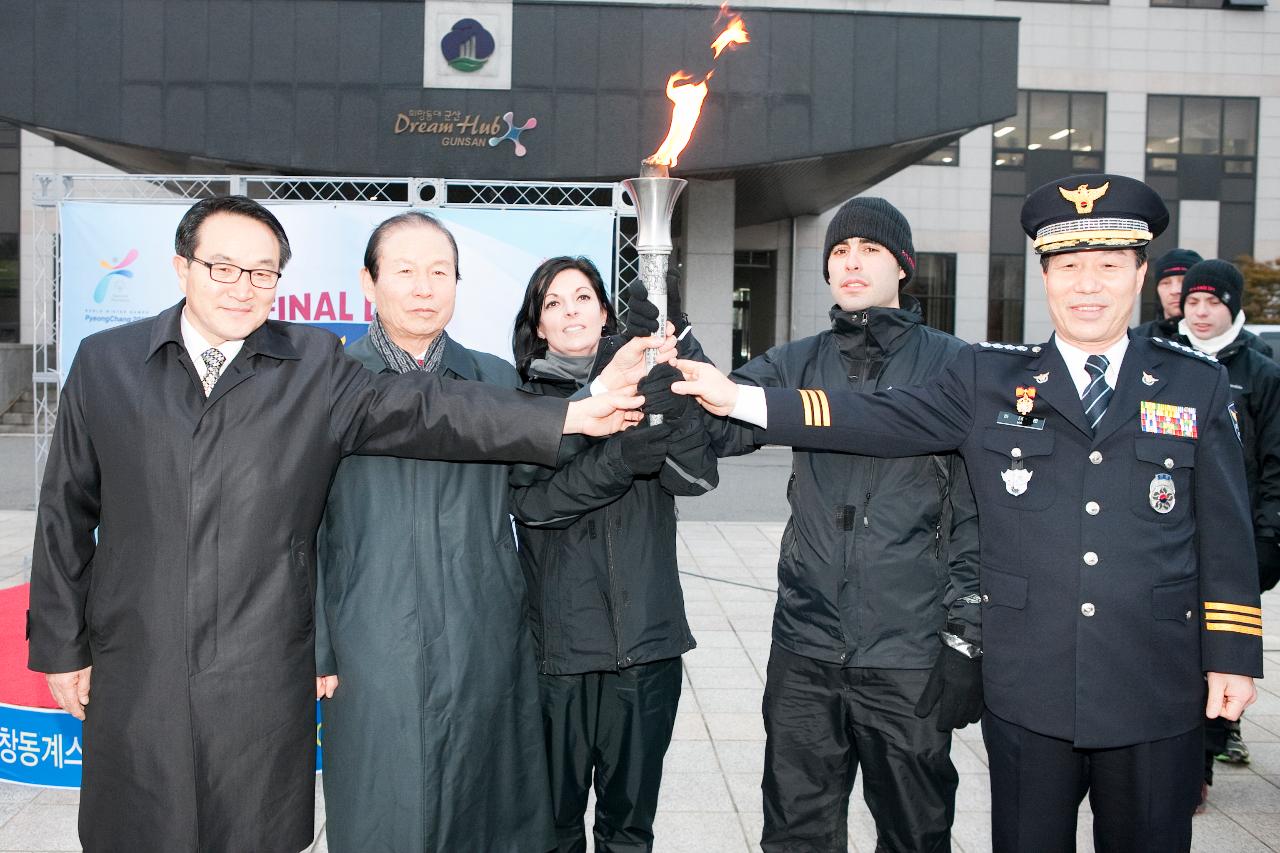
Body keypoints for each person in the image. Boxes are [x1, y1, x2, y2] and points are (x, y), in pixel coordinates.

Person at [26, 196, 642, 853]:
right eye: (223, 267)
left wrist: (574, 414)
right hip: (141, 650)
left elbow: (432, 411)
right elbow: (67, 508)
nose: (243, 287)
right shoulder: (107, 362)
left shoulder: (313, 363)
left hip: (257, 658)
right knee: (140, 820)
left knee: (251, 822)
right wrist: (62, 645)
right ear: (182, 267)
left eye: (263, 272)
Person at [670, 174, 1263, 853]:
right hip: (1028, 688)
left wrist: (1232, 657)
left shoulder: (1195, 384)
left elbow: (1224, 531)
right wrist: (729, 391)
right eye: (1070, 267)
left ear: (1140, 273)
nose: (1088, 285)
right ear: (1045, 276)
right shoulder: (993, 380)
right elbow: (875, 416)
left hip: (1150, 681)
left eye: (1107, 266)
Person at [705, 197, 981, 852]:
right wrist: (674, 354)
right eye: (839, 252)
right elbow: (716, 425)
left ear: (903, 266)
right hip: (806, 645)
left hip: (907, 651)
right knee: (796, 830)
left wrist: (969, 633)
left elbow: (975, 511)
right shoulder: (797, 359)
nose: (851, 263)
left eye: (869, 251)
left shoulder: (954, 364)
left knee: (915, 830)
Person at [508, 257, 717, 852]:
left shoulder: (649, 384)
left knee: (628, 829)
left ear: (605, 314)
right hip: (559, 656)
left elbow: (694, 479)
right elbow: (533, 503)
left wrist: (673, 391)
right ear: (538, 325)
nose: (570, 311)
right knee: (552, 826)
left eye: (582, 298)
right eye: (553, 303)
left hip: (646, 649)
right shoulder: (518, 398)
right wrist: (617, 459)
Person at [1174, 258, 1280, 783]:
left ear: (1233, 307)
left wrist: (1268, 535)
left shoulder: (1260, 372)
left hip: (1231, 534)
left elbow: (1275, 464)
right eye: (1193, 301)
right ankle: (1188, 760)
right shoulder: (1164, 360)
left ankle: (1207, 756)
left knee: (1222, 645)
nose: (1200, 311)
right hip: (1171, 532)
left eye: (1212, 302)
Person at [1135, 247, 1272, 357]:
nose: (1175, 290)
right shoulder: (1137, 339)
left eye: (1183, 282)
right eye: (1166, 283)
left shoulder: (1253, 349)